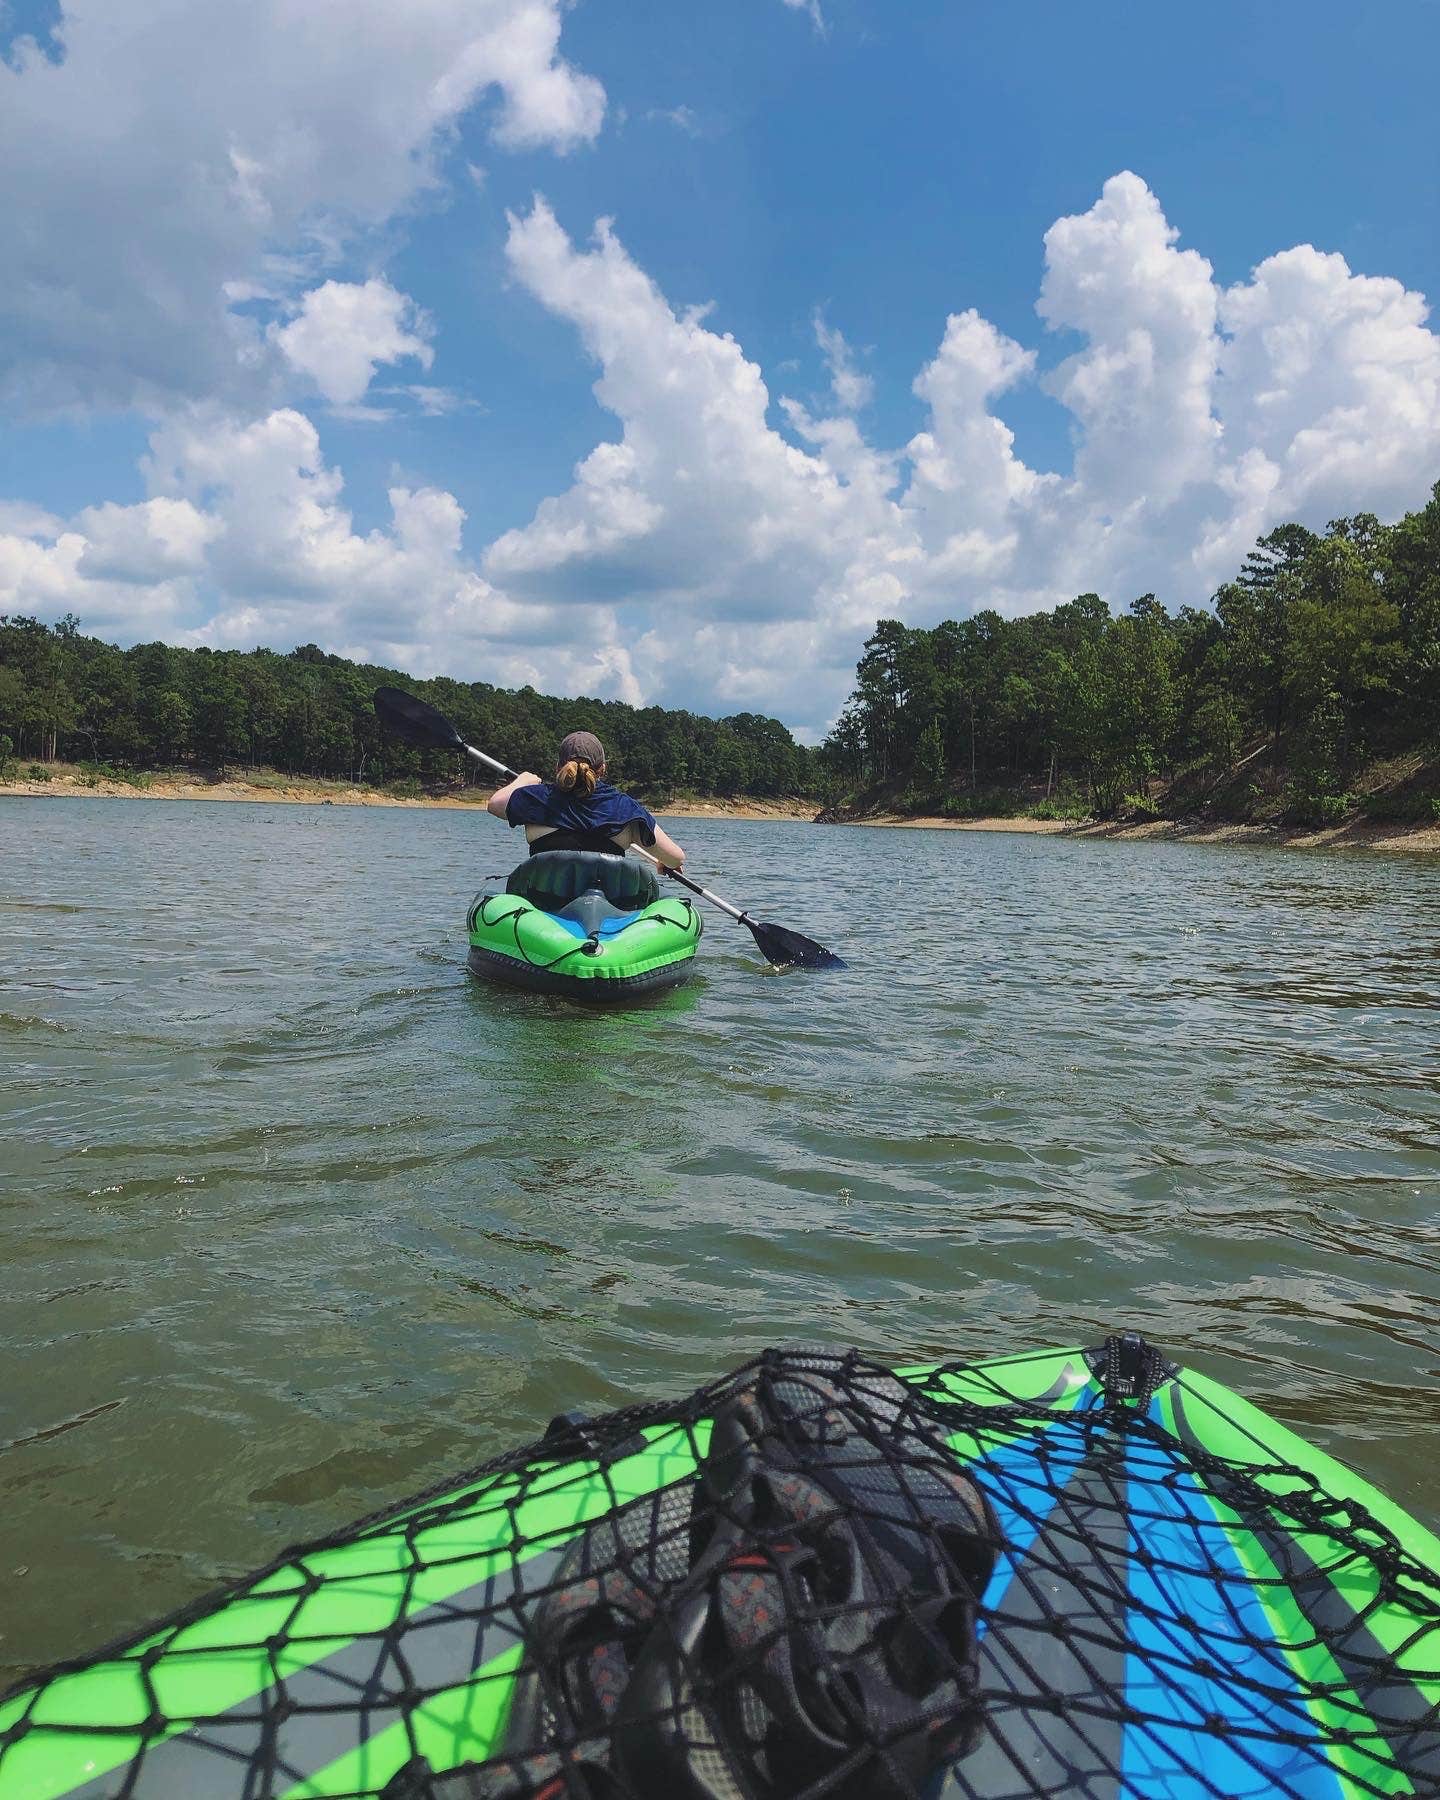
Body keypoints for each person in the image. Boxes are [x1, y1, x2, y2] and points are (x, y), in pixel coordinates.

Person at [487, 729, 687, 870]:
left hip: (545, 904)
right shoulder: (624, 807)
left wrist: (522, 780)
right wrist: (665, 863)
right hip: (606, 909)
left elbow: (495, 804)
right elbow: (676, 858)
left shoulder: (535, 798)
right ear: (603, 768)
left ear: (558, 766)